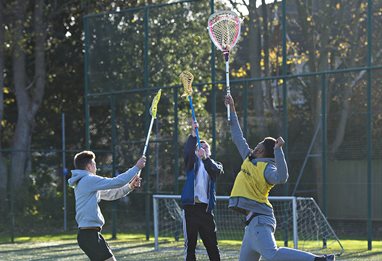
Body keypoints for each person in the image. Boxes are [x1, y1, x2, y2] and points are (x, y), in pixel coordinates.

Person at [224, 94, 336, 261]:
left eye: (260, 145)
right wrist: (232, 108)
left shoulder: (268, 168)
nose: (256, 146)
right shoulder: (248, 158)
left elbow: (282, 177)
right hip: (251, 226)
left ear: (263, 151)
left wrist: (278, 150)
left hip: (260, 220)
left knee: (273, 254)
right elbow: (237, 136)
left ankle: (317, 260)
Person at [68, 150, 146, 261]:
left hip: (91, 235)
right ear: (89, 166)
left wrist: (130, 187)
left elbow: (111, 194)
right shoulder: (88, 179)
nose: (96, 168)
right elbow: (116, 182)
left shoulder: (87, 182)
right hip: (89, 235)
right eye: (95, 164)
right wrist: (136, 167)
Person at [181, 120, 224, 261]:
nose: (203, 149)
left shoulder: (214, 165)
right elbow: (188, 152)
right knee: (190, 246)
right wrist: (193, 134)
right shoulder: (191, 164)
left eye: (206, 147)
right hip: (191, 209)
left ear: (209, 151)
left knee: (212, 245)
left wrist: (205, 158)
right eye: (200, 147)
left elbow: (216, 171)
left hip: (205, 210)